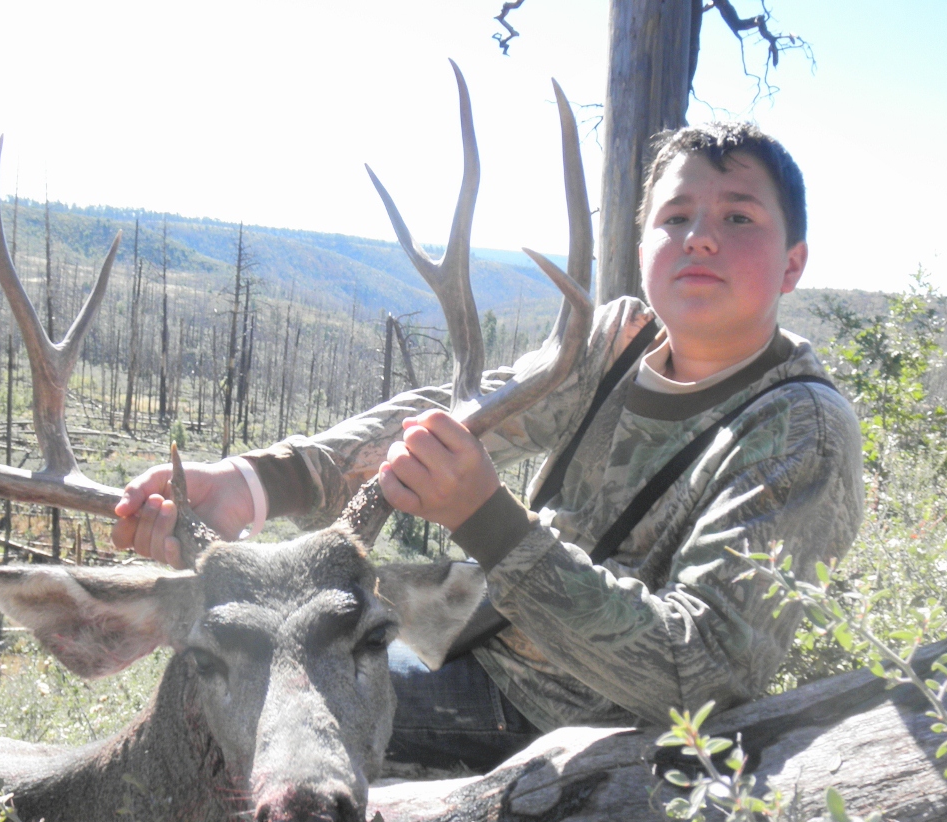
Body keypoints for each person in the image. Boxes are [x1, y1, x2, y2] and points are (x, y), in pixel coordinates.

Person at [112, 121, 864, 772]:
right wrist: (257, 483)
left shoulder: (800, 428)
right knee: (233, 665)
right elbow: (461, 417)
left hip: (565, 713)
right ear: (642, 248)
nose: (700, 235)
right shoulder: (617, 341)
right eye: (676, 216)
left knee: (247, 718)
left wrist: (486, 519)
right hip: (473, 622)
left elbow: (701, 671)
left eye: (739, 217)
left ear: (793, 264)